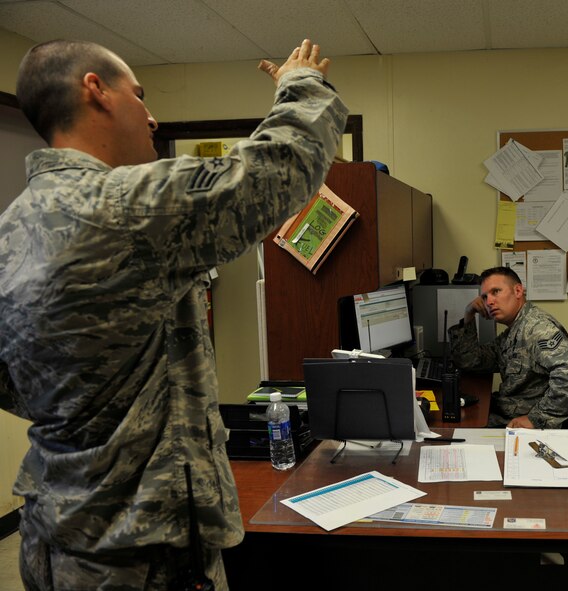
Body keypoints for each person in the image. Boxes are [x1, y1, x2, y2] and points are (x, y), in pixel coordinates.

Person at [0, 38, 347, 589]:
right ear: (96, 90)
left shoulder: (12, 228)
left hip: (54, 536)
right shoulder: (123, 205)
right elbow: (275, 173)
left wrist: (95, 408)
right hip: (142, 550)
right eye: (139, 95)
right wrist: (300, 84)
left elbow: (12, 380)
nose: (153, 116)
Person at [448, 267, 568, 429]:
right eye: (485, 296)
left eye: (496, 292)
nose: (489, 302)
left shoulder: (535, 329)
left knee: (454, 431)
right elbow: (471, 361)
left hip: (521, 427)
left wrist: (536, 419)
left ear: (517, 291)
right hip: (506, 412)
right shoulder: (515, 328)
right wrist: (468, 316)